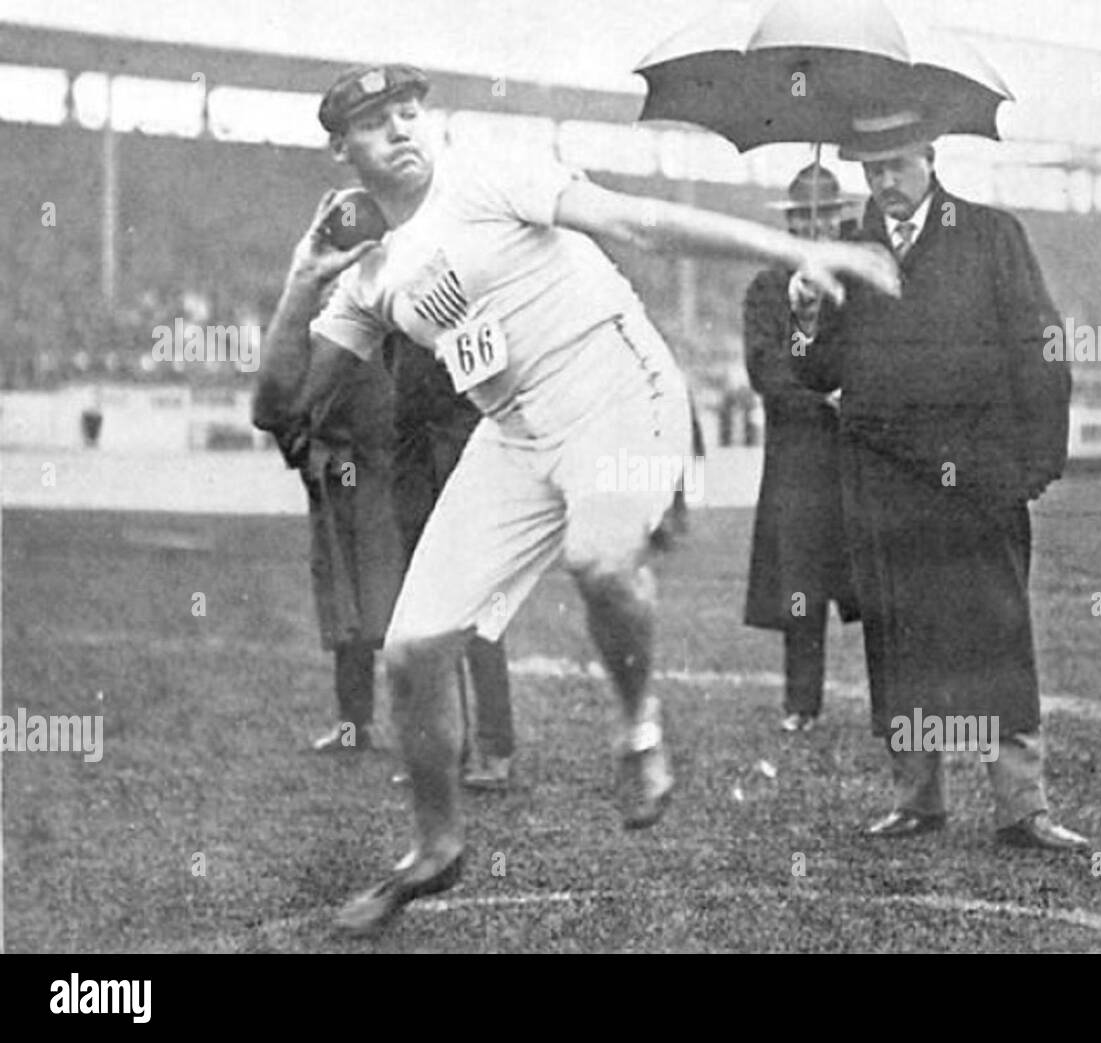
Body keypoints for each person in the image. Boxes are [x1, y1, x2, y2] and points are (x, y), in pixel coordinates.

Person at [261, 63, 899, 934]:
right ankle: (435, 846)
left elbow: (640, 222)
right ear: (341, 149)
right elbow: (285, 402)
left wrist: (797, 247)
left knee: (600, 558)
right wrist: (303, 279)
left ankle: (638, 731)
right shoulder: (366, 271)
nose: (403, 130)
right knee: (411, 651)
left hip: (614, 382)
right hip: (511, 432)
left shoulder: (485, 169)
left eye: (410, 111)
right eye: (376, 124)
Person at [793, 113, 1089, 850]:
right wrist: (804, 316)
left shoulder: (992, 236)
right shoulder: (847, 254)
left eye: (895, 164)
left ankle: (1023, 806)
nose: (883, 182)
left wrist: (1036, 460)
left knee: (996, 631)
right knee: (898, 635)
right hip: (881, 481)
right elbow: (817, 370)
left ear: (929, 157)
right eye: (870, 169)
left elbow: (1042, 346)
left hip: (978, 476)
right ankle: (918, 797)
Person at [251, 292, 405, 756]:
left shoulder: (393, 334)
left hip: (383, 480)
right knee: (347, 609)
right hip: (337, 481)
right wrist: (302, 451)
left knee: (397, 605)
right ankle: (353, 725)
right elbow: (280, 408)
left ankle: (416, 730)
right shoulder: (320, 335)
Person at [743, 163, 861, 733]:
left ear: (841, 220)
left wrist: (852, 394)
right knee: (801, 588)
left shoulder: (858, 284)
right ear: (790, 224)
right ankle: (801, 704)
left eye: (825, 216)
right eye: (804, 218)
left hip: (862, 453)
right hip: (798, 460)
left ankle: (897, 706)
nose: (816, 226)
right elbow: (766, 369)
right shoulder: (768, 288)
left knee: (882, 582)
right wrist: (823, 395)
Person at [386, 329, 515, 789]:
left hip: (465, 452)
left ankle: (495, 747)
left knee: (478, 609)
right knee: (424, 606)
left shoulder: (468, 284)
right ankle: (442, 749)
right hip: (412, 456)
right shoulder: (396, 289)